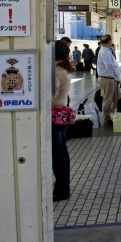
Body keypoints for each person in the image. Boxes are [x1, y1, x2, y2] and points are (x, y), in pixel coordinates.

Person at [52, 40, 72, 202]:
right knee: (62, 152)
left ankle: (62, 189)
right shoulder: (64, 70)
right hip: (62, 115)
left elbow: (52, 97)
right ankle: (64, 185)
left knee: (57, 155)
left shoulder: (56, 72)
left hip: (54, 117)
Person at [97, 35, 121, 126]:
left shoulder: (107, 51)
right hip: (107, 79)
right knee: (107, 100)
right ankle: (107, 119)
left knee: (115, 98)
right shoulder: (104, 52)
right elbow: (109, 66)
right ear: (109, 41)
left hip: (110, 79)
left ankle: (114, 116)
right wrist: (117, 77)